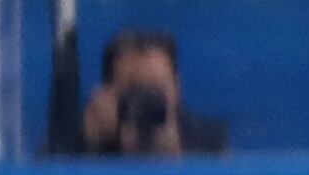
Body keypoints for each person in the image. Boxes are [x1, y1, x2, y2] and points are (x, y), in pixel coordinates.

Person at [75, 28, 227, 157]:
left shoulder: (209, 142)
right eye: (134, 90)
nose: (146, 100)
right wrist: (89, 147)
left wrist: (177, 154)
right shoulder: (92, 140)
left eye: (157, 89)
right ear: (108, 95)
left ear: (176, 87)